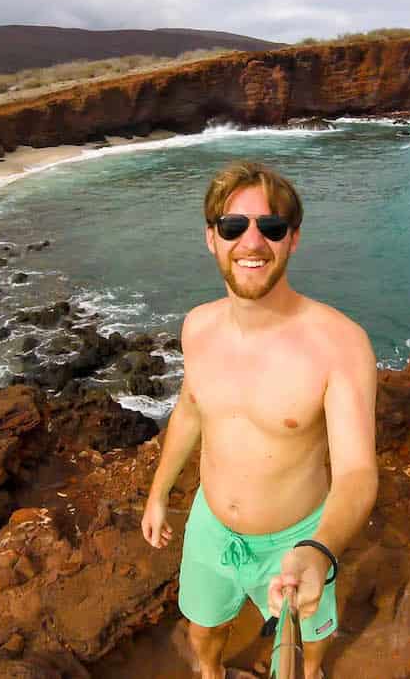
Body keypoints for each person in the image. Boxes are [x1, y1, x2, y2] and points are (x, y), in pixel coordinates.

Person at [142, 161, 379, 679]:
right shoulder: (198, 327)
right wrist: (159, 493)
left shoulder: (339, 344)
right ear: (212, 238)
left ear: (293, 240)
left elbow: (358, 472)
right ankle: (211, 674)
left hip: (297, 539)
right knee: (203, 628)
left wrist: (318, 551)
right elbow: (189, 410)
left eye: (270, 227)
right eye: (233, 227)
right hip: (209, 527)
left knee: (303, 653)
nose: (252, 242)